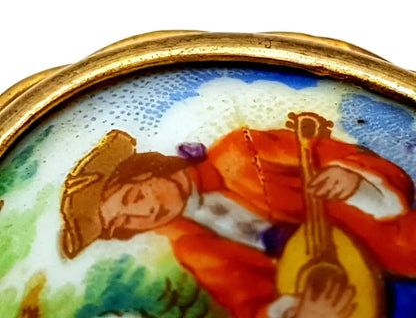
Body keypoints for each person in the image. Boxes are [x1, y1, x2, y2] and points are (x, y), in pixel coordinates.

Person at [60, 123, 416, 318]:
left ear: (146, 173)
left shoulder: (242, 151)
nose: (145, 215)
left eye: (133, 198)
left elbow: (337, 157)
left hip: (398, 256)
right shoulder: (192, 249)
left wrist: (353, 181)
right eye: (126, 223)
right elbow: (250, 306)